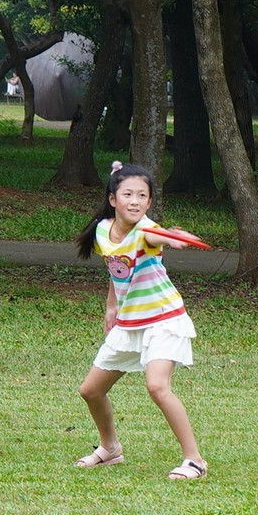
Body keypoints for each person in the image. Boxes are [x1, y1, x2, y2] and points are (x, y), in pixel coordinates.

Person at [73, 161, 208, 479]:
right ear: (113, 199)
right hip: (130, 324)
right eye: (128, 194)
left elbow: (160, 238)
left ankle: (195, 461)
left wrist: (172, 238)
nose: (135, 201)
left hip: (164, 319)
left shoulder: (147, 233)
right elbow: (115, 268)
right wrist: (111, 307)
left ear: (149, 203)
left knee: (157, 386)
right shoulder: (103, 231)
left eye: (142, 196)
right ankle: (110, 449)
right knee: (91, 390)